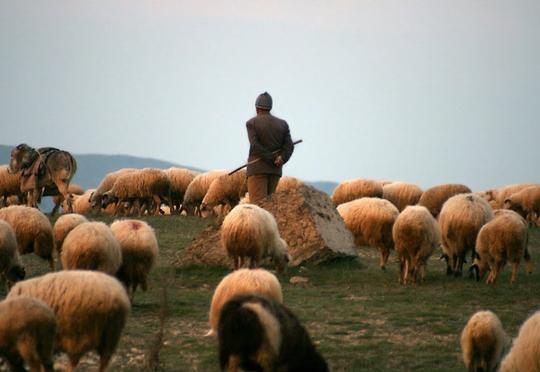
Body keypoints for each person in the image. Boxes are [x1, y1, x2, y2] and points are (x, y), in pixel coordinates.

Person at [245, 92, 294, 204]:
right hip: (275, 171)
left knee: (258, 208)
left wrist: (272, 158)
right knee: (270, 207)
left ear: (257, 108)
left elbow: (255, 146)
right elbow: (289, 146)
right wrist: (281, 158)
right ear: (270, 108)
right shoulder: (283, 124)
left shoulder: (251, 123)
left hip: (258, 170)